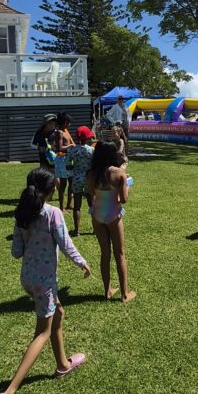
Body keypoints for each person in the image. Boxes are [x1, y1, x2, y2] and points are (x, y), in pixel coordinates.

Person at [0, 168, 91, 394]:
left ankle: (63, 365)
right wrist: (82, 263)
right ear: (52, 190)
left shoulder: (23, 214)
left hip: (28, 279)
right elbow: (66, 245)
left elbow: (16, 252)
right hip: (44, 282)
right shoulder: (53, 213)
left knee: (58, 314)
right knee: (42, 333)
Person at [87, 141, 137, 302]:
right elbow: (124, 199)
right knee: (120, 253)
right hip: (113, 216)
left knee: (105, 254)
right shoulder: (119, 174)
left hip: (97, 214)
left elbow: (91, 194)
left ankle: (107, 290)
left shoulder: (91, 173)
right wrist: (127, 184)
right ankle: (124, 294)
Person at [65, 126, 95, 237]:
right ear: (87, 137)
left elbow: (68, 166)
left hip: (77, 178)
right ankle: (95, 229)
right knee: (92, 205)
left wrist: (75, 167)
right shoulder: (91, 150)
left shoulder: (72, 150)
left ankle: (77, 230)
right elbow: (94, 164)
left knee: (77, 206)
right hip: (89, 178)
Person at [52, 113, 75, 210]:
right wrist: (70, 146)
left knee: (72, 182)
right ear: (65, 122)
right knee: (63, 184)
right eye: (69, 122)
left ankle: (69, 204)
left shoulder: (66, 131)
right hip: (62, 159)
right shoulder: (59, 132)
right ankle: (61, 207)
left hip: (69, 158)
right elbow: (59, 148)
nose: (70, 124)